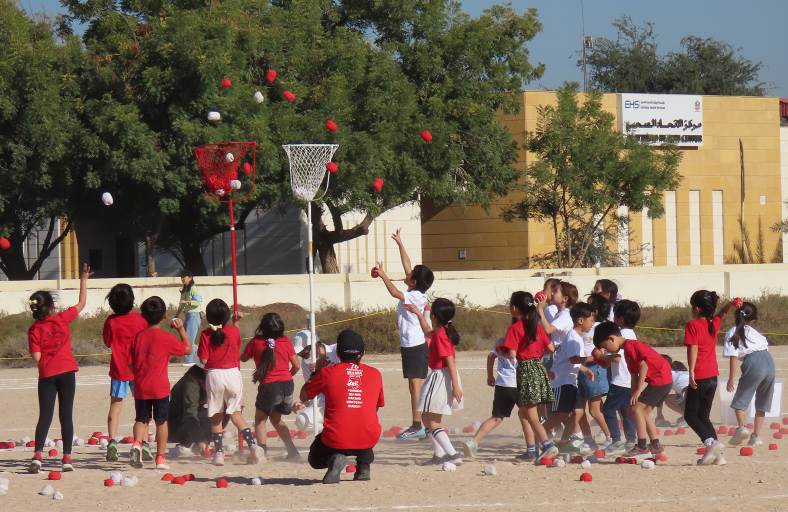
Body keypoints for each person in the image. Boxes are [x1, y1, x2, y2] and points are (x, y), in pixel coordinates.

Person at [26, 263, 91, 474]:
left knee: (45, 416)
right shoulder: (62, 318)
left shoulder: (34, 330)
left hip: (47, 374)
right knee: (66, 416)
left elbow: (37, 357)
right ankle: (67, 458)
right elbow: (81, 304)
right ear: (52, 307)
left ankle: (37, 456)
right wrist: (83, 279)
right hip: (67, 372)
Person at [373, 228, 434, 441]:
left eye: (410, 274)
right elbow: (408, 266)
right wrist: (400, 243)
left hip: (415, 345)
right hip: (410, 345)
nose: (407, 272)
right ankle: (424, 425)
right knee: (413, 385)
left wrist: (383, 275)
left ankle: (418, 426)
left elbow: (394, 293)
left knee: (416, 385)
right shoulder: (415, 290)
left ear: (414, 282)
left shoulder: (415, 296)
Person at [301, 329, 385, 484]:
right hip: (368, 436)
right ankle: (364, 465)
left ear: (338, 353)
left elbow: (304, 396)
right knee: (362, 430)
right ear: (362, 353)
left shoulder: (327, 373)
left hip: (337, 437)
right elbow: (375, 408)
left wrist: (316, 373)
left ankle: (335, 458)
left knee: (315, 457)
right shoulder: (375, 374)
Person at [461, 292, 535, 459]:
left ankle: (473, 442)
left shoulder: (502, 340)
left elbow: (490, 356)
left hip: (503, 384)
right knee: (526, 415)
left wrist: (490, 376)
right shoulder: (525, 340)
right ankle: (532, 449)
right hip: (519, 383)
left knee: (497, 417)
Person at [593, 322, 672, 459]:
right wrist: (633, 394)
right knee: (643, 411)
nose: (607, 350)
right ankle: (655, 445)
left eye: (606, 347)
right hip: (663, 379)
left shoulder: (631, 346)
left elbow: (643, 366)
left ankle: (642, 446)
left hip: (660, 379)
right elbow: (634, 375)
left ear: (611, 339)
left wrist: (638, 390)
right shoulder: (627, 351)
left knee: (637, 410)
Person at [130, 296, 191, 469]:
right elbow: (187, 349)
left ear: (143, 316)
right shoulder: (166, 338)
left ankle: (137, 443)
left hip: (141, 385)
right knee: (161, 422)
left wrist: (137, 374)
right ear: (164, 316)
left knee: (141, 419)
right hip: (160, 387)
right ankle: (160, 458)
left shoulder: (138, 337)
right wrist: (181, 330)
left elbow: (130, 362)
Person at [198, 299, 259, 466]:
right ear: (226, 316)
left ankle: (219, 453)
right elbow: (235, 342)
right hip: (233, 374)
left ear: (208, 317)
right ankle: (253, 446)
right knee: (236, 414)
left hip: (214, 375)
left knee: (216, 416)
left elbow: (203, 359)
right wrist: (235, 322)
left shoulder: (206, 334)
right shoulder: (233, 331)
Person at [501, 292, 558, 462]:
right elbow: (551, 348)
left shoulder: (515, 328)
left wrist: (502, 352)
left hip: (526, 371)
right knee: (523, 412)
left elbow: (512, 354)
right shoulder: (537, 326)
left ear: (514, 308)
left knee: (532, 415)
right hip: (538, 369)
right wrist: (537, 354)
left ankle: (548, 445)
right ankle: (531, 450)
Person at [407, 298, 464, 465]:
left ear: (434, 316)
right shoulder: (441, 330)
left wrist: (455, 385)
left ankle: (453, 454)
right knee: (426, 417)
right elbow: (427, 331)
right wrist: (418, 314)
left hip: (440, 377)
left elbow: (449, 360)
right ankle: (438, 454)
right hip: (443, 376)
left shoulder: (440, 335)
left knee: (432, 420)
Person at [683, 291, 737, 465]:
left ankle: (711, 443)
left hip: (699, 375)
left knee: (690, 415)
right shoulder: (713, 322)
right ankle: (718, 456)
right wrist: (731, 304)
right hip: (712, 376)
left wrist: (691, 371)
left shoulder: (693, 324)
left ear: (697, 308)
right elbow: (722, 313)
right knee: (704, 415)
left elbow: (693, 347)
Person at [540, 302, 595, 455]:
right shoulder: (572, 337)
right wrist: (596, 358)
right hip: (562, 382)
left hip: (571, 382)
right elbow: (573, 359)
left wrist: (584, 369)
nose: (592, 324)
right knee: (561, 415)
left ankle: (564, 442)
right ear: (581, 320)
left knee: (577, 413)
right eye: (591, 320)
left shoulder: (577, 337)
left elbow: (572, 361)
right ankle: (540, 436)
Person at [242, 312, 300, 459]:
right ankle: (293, 451)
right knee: (276, 419)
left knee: (260, 419)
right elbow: (296, 366)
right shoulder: (285, 341)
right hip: (287, 385)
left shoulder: (255, 343)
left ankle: (261, 452)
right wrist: (286, 377)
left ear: (262, 327)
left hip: (270, 386)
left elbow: (243, 358)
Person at [102, 283, 148, 462]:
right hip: (139, 369)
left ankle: (112, 442)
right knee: (142, 407)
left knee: (116, 405)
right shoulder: (140, 320)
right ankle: (143, 442)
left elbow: (107, 342)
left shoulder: (111, 321)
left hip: (119, 368)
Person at [724, 302, 776, 448]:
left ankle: (741, 428)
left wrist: (731, 378)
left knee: (740, 400)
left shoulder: (732, 332)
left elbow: (733, 356)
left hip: (753, 362)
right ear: (752, 320)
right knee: (762, 402)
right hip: (769, 362)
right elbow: (764, 347)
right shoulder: (756, 332)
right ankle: (756, 437)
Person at [574, 294, 612, 451]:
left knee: (594, 410)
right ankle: (588, 439)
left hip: (593, 369)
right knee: (579, 409)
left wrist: (590, 358)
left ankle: (611, 437)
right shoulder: (583, 327)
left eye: (589, 305)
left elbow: (601, 351)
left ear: (595, 311)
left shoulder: (596, 327)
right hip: (581, 370)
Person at [602, 299, 639, 455]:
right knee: (626, 412)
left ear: (620, 319)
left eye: (615, 315)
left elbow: (616, 357)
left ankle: (616, 440)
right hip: (630, 379)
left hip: (620, 380)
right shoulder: (632, 334)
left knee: (608, 410)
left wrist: (603, 356)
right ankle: (630, 440)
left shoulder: (619, 335)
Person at [168, 365, 212, 457]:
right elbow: (190, 412)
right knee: (205, 415)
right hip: (178, 420)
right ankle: (189, 443)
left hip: (193, 414)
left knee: (222, 411)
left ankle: (201, 442)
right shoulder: (191, 382)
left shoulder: (211, 378)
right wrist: (200, 439)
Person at [175, 269, 202, 365]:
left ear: (190, 278)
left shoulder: (193, 288)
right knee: (186, 337)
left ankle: (190, 360)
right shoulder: (184, 289)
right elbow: (181, 304)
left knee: (189, 338)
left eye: (184, 277)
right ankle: (197, 357)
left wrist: (187, 302)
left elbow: (198, 301)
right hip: (188, 315)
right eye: (181, 277)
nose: (182, 278)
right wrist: (177, 314)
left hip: (194, 315)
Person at [656, 357, 689, 426]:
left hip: (688, 392)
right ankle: (691, 416)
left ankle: (689, 418)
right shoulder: (685, 373)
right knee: (680, 397)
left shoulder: (668, 374)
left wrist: (659, 416)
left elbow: (661, 396)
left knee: (667, 399)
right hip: (702, 392)